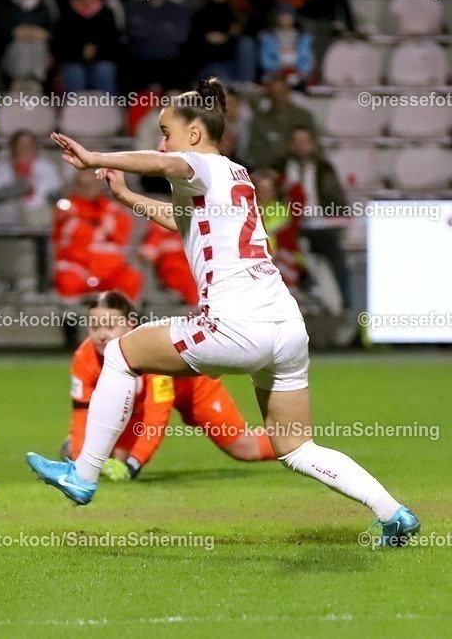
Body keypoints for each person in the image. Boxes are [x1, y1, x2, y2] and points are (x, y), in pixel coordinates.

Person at [27, 78, 419, 547]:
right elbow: (187, 222)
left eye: (166, 130)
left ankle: (83, 475)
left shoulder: (194, 163)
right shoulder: (236, 175)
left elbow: (164, 162)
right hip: (287, 327)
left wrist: (95, 158)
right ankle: (393, 512)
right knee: (295, 446)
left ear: (194, 135)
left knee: (121, 354)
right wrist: (129, 197)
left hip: (236, 323)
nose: (161, 142)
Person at [63, 291, 274, 481]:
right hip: (137, 407)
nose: (101, 335)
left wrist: (135, 462)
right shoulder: (84, 358)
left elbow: (157, 416)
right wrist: (79, 461)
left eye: (110, 326)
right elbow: (82, 414)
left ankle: (295, 442)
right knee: (109, 455)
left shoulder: (147, 352)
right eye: (94, 327)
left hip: (195, 390)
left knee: (245, 449)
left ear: (130, 324)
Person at [273, 128, 350, 308]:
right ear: (289, 145)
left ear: (312, 144)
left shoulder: (324, 169)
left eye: (305, 141)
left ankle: (345, 307)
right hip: (286, 227)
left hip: (319, 227)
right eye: (296, 141)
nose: (301, 146)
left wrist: (334, 220)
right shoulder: (278, 168)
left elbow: (338, 201)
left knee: (337, 258)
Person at [52, 169, 141, 302]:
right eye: (83, 178)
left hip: (109, 269)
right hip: (78, 267)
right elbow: (68, 236)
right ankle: (72, 320)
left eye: (92, 180)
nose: (89, 185)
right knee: (67, 281)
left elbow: (120, 236)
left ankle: (124, 319)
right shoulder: (66, 208)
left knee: (131, 278)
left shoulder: (112, 208)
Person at [54, 0, 122, 95]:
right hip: (73, 60)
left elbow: (113, 43)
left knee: (104, 71)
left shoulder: (106, 13)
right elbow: (61, 44)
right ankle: (74, 112)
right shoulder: (66, 13)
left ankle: (108, 111)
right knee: (75, 74)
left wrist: (96, 51)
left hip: (102, 59)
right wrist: (80, 51)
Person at [244, 74, 316, 171]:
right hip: (270, 172)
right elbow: (255, 153)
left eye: (281, 92)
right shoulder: (260, 121)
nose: (278, 96)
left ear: (288, 92)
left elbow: (315, 147)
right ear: (268, 95)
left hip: (303, 169)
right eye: (274, 93)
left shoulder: (304, 117)